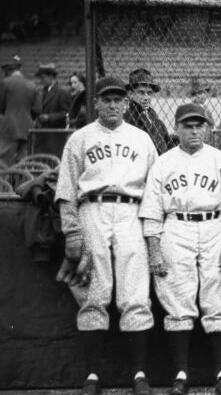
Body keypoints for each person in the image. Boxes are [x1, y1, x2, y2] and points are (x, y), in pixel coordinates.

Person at [55, 77, 159, 395]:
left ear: (127, 104)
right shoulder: (80, 138)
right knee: (93, 294)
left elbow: (155, 190)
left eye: (118, 99)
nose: (112, 104)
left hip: (131, 212)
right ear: (96, 103)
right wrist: (72, 231)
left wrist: (153, 229)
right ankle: (93, 377)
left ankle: (139, 375)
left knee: (135, 293)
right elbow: (66, 189)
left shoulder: (142, 139)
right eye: (106, 99)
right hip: (92, 211)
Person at [140, 103, 221, 395]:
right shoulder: (163, 162)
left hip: (214, 227)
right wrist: (154, 250)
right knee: (176, 300)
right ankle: (181, 375)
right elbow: (151, 211)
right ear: (176, 129)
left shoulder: (220, 159)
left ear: (208, 128)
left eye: (200, 125)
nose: (195, 130)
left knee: (218, 300)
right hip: (176, 227)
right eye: (188, 125)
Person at [0, 56, 40, 168]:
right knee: (24, 162)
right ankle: (24, 185)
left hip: (10, 127)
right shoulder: (32, 85)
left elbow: (0, 107)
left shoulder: (4, 83)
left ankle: (2, 185)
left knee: (3, 161)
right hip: (28, 128)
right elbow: (38, 109)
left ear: (8, 70)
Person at [124, 68, 174, 154]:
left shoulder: (155, 119)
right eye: (141, 93)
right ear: (131, 94)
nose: (146, 97)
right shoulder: (127, 118)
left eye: (149, 93)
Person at [35, 63, 71, 128]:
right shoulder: (43, 92)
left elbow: (67, 113)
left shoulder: (61, 92)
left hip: (55, 131)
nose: (40, 80)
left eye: (42, 77)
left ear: (51, 76)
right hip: (43, 130)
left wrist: (49, 117)